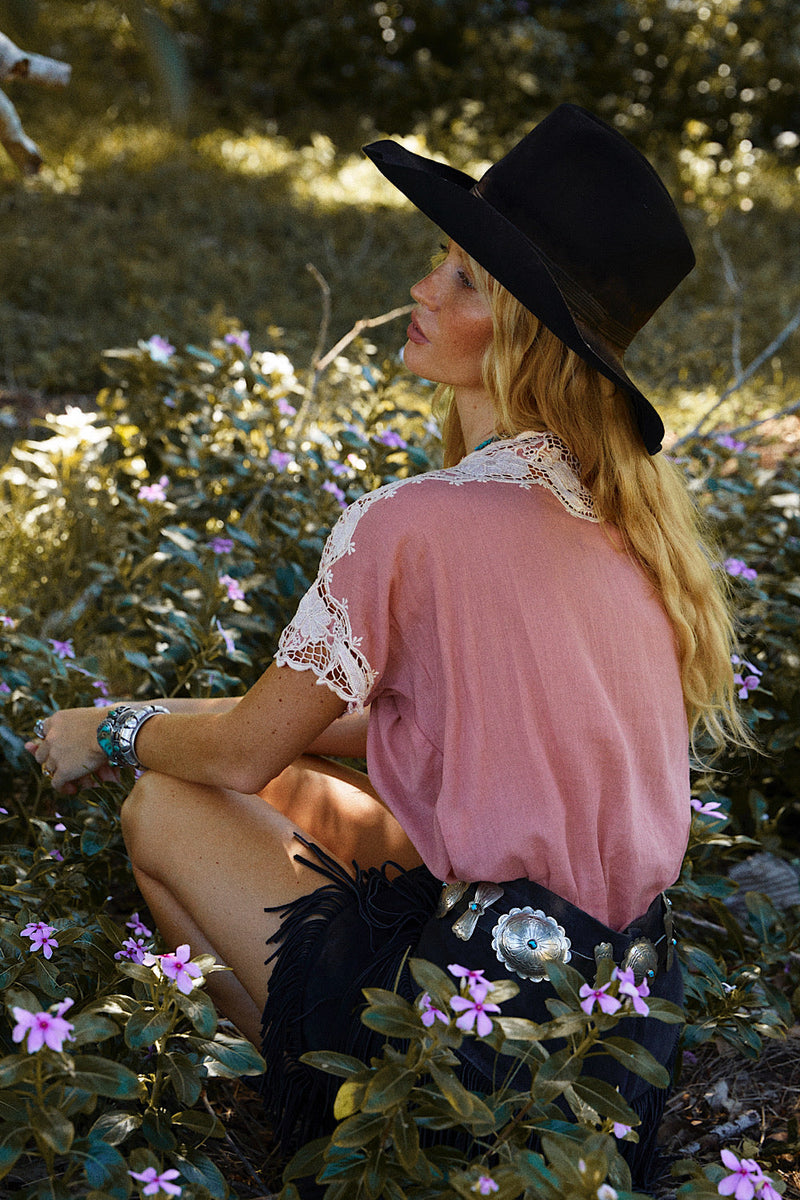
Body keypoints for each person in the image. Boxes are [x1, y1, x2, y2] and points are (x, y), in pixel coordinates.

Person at [26, 104, 746, 1188]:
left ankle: (313, 1133)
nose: (420, 288)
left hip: (463, 1037)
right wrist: (193, 714)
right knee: (302, 769)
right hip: (618, 1028)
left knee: (165, 801)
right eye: (438, 259)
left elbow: (228, 761)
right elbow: (475, 733)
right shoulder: (625, 518)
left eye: (460, 277)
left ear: (516, 329)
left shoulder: (411, 520)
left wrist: (110, 725)